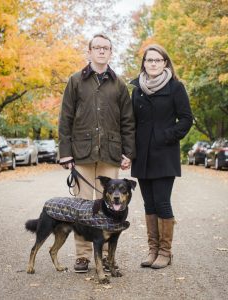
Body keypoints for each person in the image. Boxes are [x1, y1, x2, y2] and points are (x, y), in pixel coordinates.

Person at [58, 33, 135, 273]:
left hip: (111, 153)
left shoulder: (120, 84)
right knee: (82, 207)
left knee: (110, 206)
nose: (102, 51)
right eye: (97, 47)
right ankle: (82, 256)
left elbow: (128, 121)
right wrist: (65, 152)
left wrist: (128, 152)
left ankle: (105, 256)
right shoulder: (75, 80)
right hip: (81, 153)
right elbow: (65, 118)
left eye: (106, 48)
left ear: (111, 53)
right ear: (89, 52)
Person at [130, 44, 193, 269]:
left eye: (158, 60)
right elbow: (131, 122)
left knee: (162, 202)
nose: (153, 64)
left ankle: (165, 252)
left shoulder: (176, 87)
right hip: (142, 156)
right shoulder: (137, 89)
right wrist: (129, 149)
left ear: (165, 63)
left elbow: (186, 119)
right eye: (149, 60)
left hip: (164, 154)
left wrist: (166, 136)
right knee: (149, 204)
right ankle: (153, 250)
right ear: (144, 63)